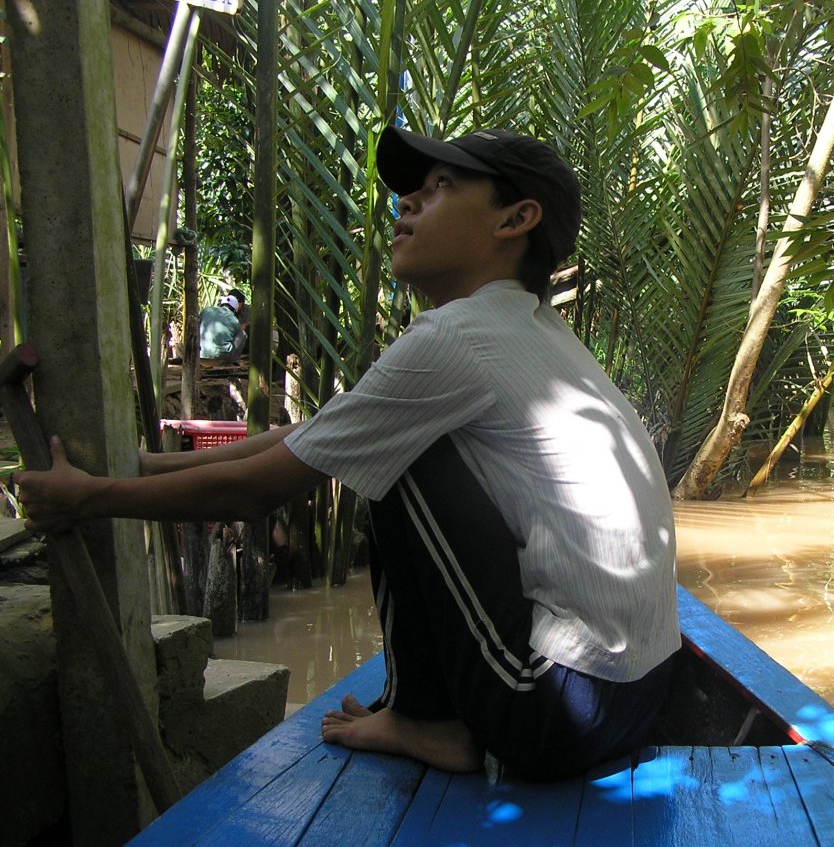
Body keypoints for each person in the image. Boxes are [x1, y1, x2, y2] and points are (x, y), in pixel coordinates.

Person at [15, 127, 680, 781]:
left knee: (398, 465)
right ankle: (444, 716)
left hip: (554, 713)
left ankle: (427, 716)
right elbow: (314, 435)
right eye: (411, 191)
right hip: (635, 695)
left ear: (516, 219)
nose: (407, 203)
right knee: (378, 446)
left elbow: (254, 490)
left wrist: (88, 499)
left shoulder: (458, 335)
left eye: (440, 186)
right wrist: (136, 469)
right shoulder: (528, 328)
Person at [198, 289, 249, 362]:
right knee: (242, 334)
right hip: (222, 357)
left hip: (200, 354)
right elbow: (240, 334)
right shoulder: (233, 319)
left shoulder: (206, 310)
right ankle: (235, 361)